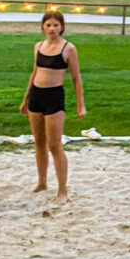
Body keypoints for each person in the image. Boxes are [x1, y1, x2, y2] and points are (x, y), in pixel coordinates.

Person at [19, 11, 86, 201]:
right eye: (48, 25)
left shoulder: (68, 49)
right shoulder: (38, 46)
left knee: (54, 145)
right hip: (36, 96)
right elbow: (34, 73)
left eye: (56, 25)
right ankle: (42, 182)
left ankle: (62, 189)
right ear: (43, 27)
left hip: (54, 98)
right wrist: (25, 99)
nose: (52, 29)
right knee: (39, 141)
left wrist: (80, 105)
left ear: (62, 27)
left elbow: (76, 77)